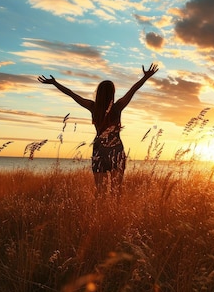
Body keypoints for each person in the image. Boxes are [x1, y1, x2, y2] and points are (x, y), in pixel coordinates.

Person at [38, 63, 159, 196]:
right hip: (116, 149)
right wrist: (145, 77)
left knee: (100, 191)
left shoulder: (93, 106)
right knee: (116, 191)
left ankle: (101, 212)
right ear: (112, 93)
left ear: (99, 93)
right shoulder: (117, 107)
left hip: (99, 149)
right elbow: (133, 90)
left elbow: (72, 94)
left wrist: (55, 83)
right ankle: (113, 215)